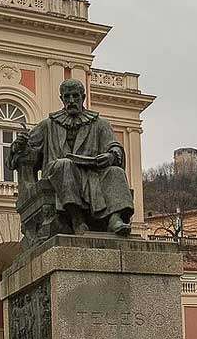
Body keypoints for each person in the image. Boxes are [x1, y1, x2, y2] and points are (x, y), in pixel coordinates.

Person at [8, 79, 135, 236]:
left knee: (116, 171)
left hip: (92, 172)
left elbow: (114, 146)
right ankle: (76, 218)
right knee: (64, 164)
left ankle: (115, 219)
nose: (71, 100)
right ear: (62, 99)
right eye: (67, 97)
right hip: (58, 172)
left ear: (83, 97)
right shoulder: (48, 125)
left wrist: (111, 155)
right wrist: (19, 146)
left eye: (75, 96)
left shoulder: (100, 124)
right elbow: (28, 153)